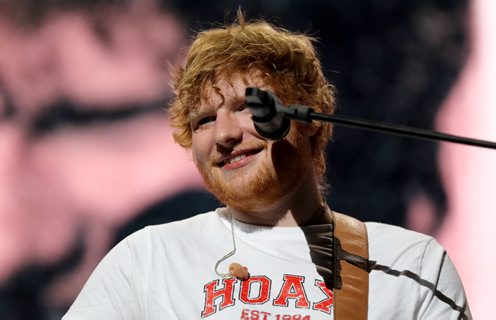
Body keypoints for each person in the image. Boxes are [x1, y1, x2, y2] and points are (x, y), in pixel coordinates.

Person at [63, 12, 472, 320]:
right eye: (203, 120)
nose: (223, 134)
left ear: (311, 119)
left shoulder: (412, 265)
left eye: (247, 107)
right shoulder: (146, 259)